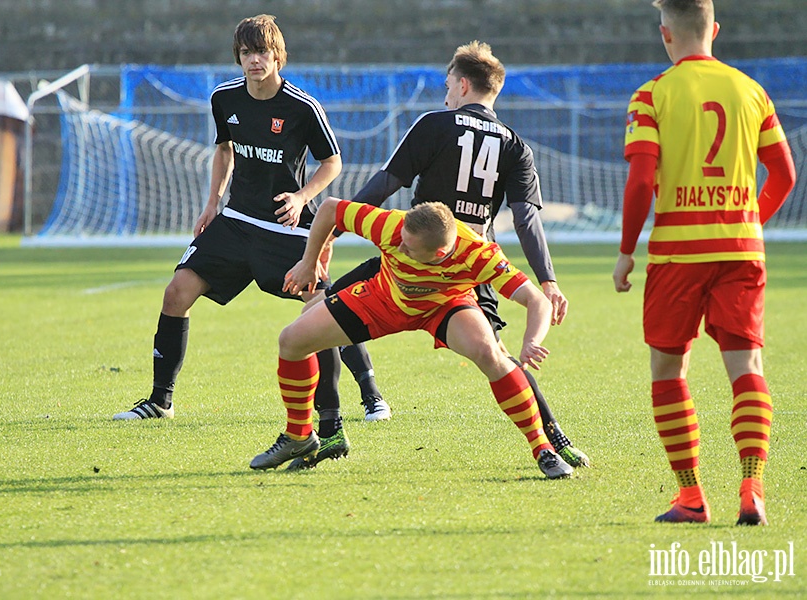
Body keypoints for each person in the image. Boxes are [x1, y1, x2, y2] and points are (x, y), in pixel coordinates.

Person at [288, 41, 589, 471]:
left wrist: (335, 230)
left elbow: (385, 183)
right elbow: (526, 220)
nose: (446, 92)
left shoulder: (435, 124)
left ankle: (331, 425)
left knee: (319, 310)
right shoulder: (516, 145)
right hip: (473, 264)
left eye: (449, 84)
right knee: (498, 358)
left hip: (411, 257)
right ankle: (555, 440)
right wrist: (548, 280)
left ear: (463, 85)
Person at [113, 14, 374, 423]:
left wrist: (303, 196)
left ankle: (370, 395)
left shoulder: (303, 107)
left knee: (322, 305)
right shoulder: (224, 98)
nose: (254, 60)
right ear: (239, 57)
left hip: (284, 226)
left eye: (262, 52)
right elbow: (223, 151)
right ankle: (160, 401)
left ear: (277, 56)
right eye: (247, 52)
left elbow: (332, 162)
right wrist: (211, 204)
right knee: (176, 292)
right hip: (235, 221)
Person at [613, 0, 796, 525]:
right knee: (747, 368)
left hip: (676, 254)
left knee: (668, 369)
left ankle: (691, 497)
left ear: (665, 33)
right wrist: (747, 220)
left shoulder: (652, 95)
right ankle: (753, 487)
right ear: (714, 30)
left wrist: (626, 252)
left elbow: (642, 181)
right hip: (740, 250)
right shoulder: (751, 91)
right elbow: (783, 174)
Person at [250, 198, 575, 479]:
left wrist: (532, 339)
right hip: (384, 298)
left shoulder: (478, 253)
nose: (399, 246)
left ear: (440, 252)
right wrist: (309, 262)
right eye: (402, 239)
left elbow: (536, 300)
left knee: (491, 354)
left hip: (445, 305)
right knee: (292, 340)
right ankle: (299, 436)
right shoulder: (392, 225)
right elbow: (331, 209)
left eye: (410, 247)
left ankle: (543, 449)